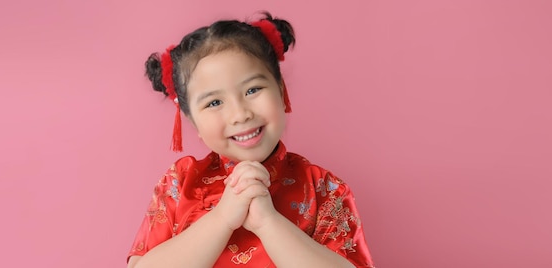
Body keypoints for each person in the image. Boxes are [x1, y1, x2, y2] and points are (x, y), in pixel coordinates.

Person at [127, 12, 375, 268]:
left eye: (252, 90)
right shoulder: (180, 182)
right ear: (193, 123)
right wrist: (222, 219)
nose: (240, 113)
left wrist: (268, 223)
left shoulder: (324, 188)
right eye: (214, 102)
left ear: (280, 90)